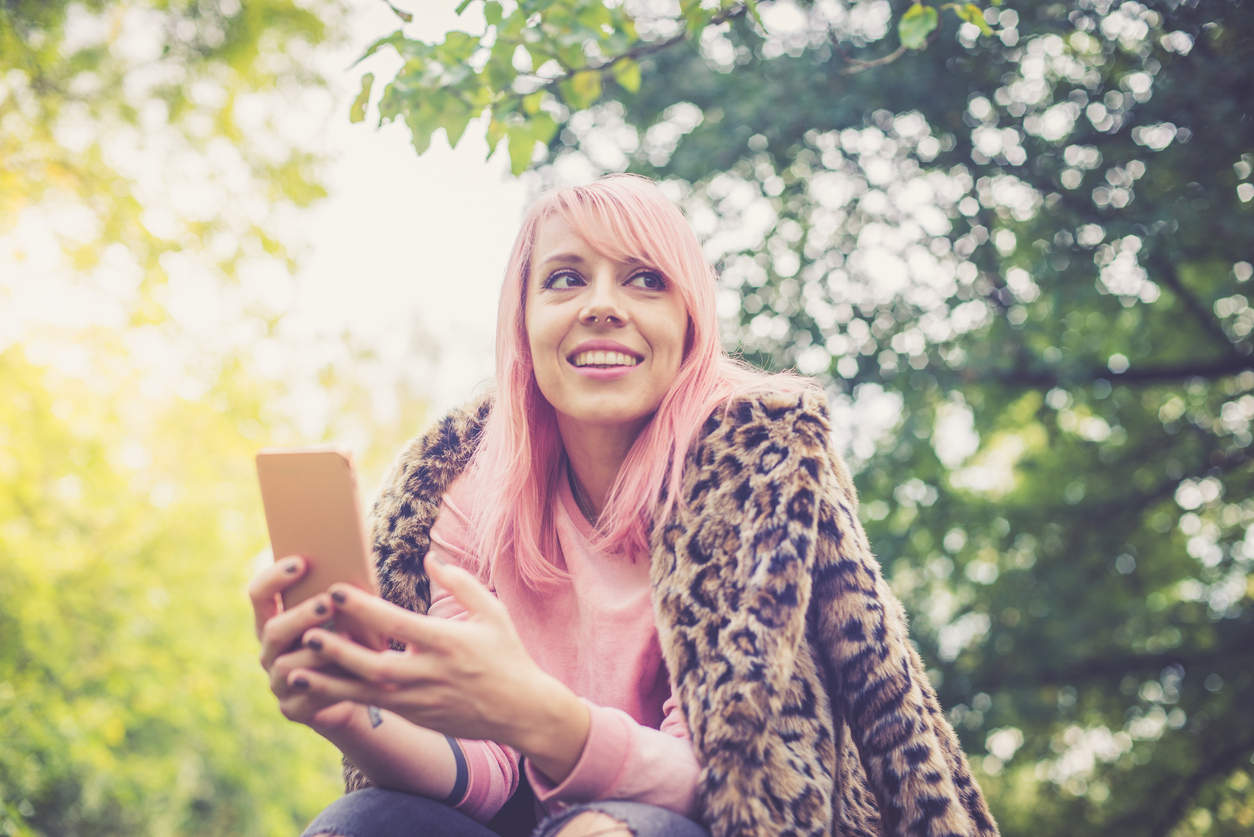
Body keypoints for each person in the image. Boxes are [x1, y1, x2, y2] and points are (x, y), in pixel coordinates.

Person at [248, 175, 999, 837]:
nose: (602, 306)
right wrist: (351, 717)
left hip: (702, 821)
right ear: (524, 324)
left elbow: (740, 782)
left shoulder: (754, 470)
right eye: (566, 279)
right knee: (366, 822)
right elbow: (488, 771)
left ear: (689, 322)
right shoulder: (465, 488)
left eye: (644, 280)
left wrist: (538, 712)